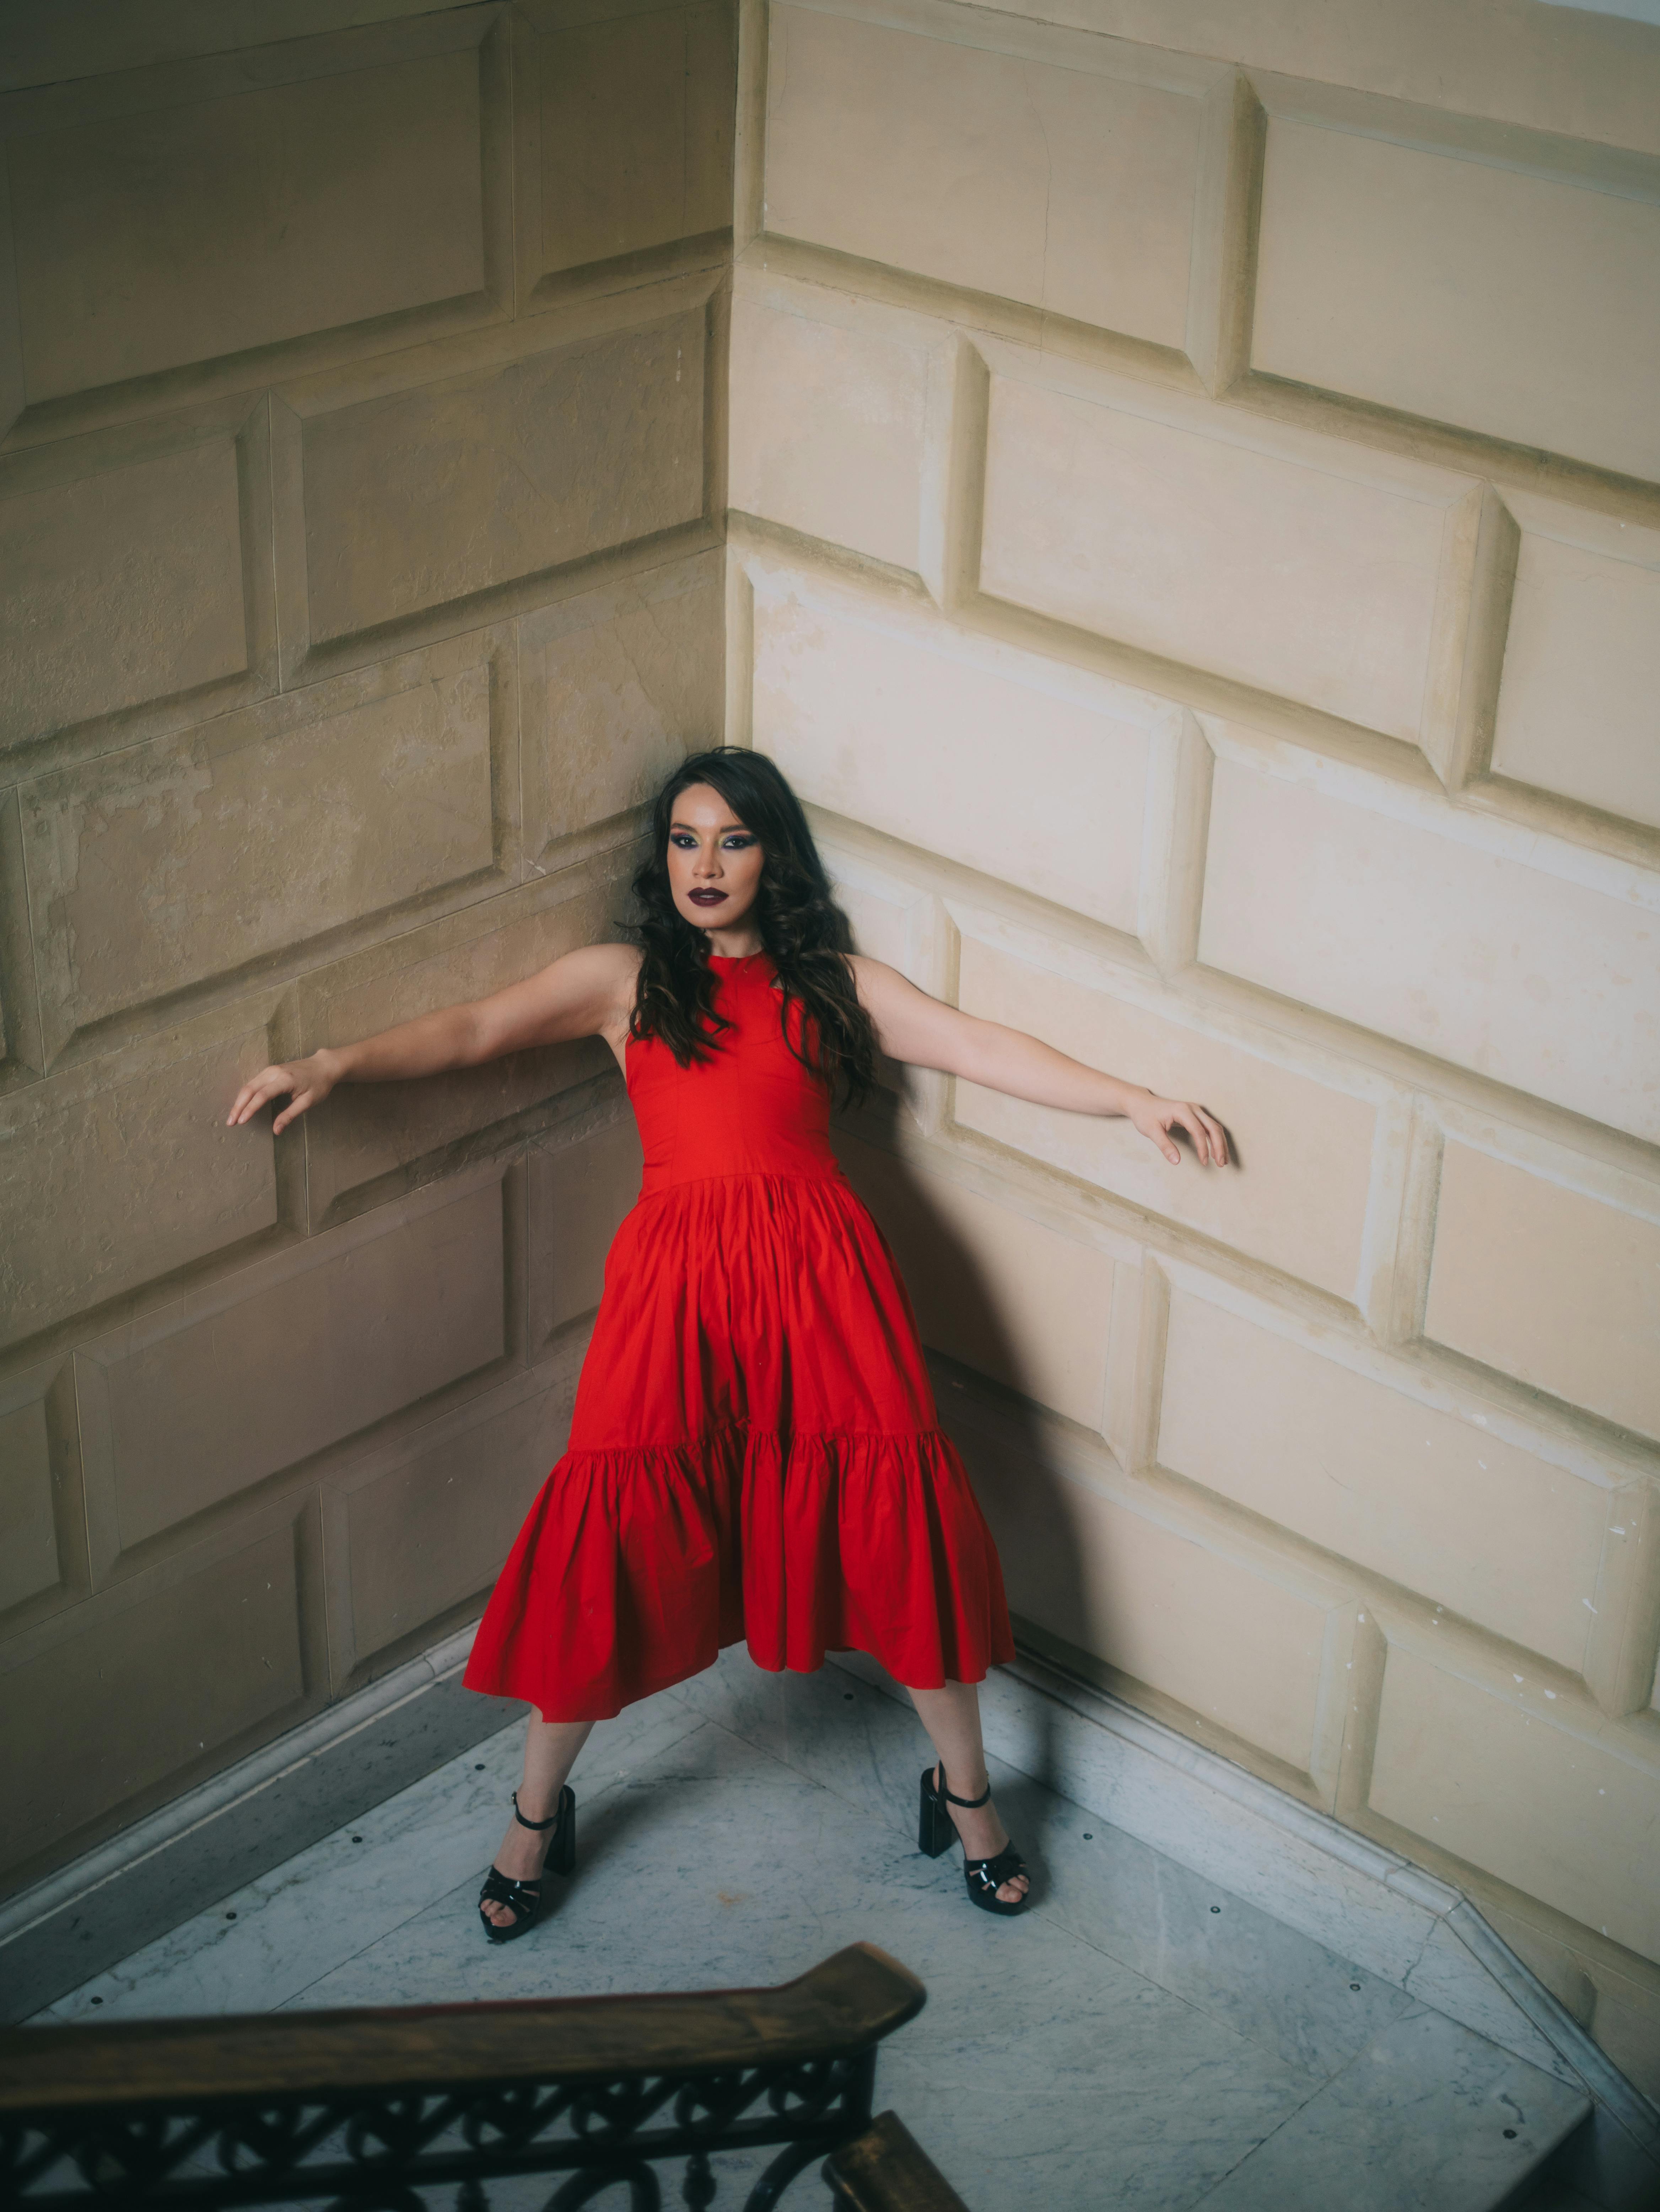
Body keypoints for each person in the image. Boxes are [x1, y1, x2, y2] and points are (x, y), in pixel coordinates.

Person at [227, 748, 1229, 1939]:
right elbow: (478, 1027)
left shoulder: (830, 982)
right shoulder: (625, 981)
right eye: (685, 839)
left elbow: (978, 1047)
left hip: (825, 1284)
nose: (704, 864)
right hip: (676, 1289)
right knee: (614, 1526)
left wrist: (1131, 1099)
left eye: (734, 840)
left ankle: (967, 1797)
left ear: (773, 855)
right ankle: (537, 1815)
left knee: (892, 1524)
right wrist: (332, 1063)